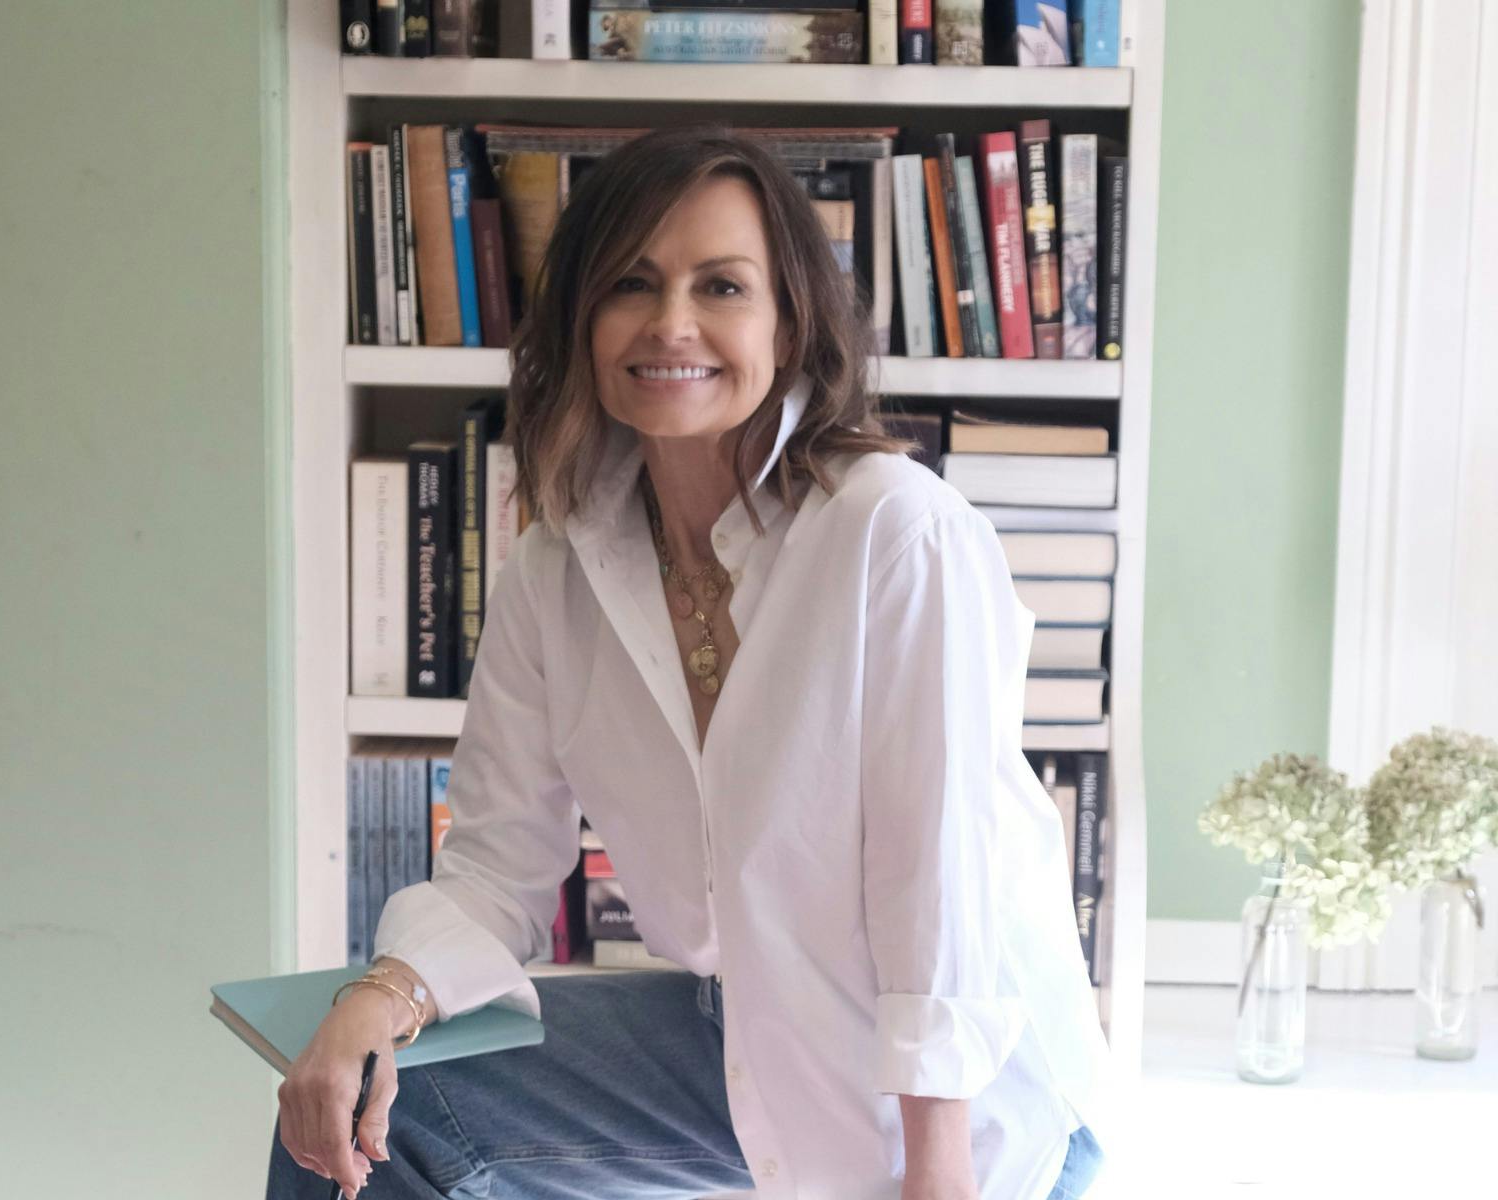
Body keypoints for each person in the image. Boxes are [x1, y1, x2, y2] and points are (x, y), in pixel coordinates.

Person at [269, 126, 1111, 1200]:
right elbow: (495, 871)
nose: (671, 324)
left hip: (976, 1116)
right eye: (631, 283)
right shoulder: (554, 569)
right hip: (746, 1043)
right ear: (581, 319)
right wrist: (375, 1001)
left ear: (787, 321)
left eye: (720, 285)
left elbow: (939, 892)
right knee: (345, 1095)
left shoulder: (895, 534)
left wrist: (936, 1182)